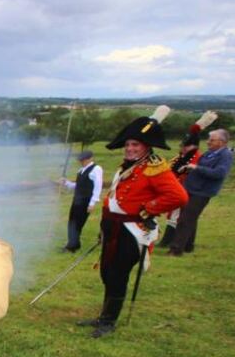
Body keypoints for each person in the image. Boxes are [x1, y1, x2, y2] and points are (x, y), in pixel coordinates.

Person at [78, 106, 188, 338]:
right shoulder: (128, 167)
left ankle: (108, 322)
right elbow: (114, 199)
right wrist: (103, 227)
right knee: (107, 273)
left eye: (135, 145)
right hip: (113, 227)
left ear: (146, 147)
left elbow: (179, 196)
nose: (130, 148)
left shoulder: (154, 168)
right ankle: (104, 315)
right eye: (128, 144)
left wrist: (148, 209)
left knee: (118, 275)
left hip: (131, 230)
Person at [168, 129, 233, 256]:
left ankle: (175, 250)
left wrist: (196, 167)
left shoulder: (225, 156)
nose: (208, 142)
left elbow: (219, 173)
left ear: (221, 142)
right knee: (191, 218)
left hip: (202, 192)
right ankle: (188, 246)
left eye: (212, 140)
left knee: (185, 220)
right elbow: (199, 169)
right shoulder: (209, 153)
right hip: (191, 189)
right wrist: (188, 168)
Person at [159, 111, 217, 247]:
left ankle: (173, 242)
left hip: (187, 190)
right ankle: (169, 241)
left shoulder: (197, 158)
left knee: (179, 218)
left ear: (193, 146)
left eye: (186, 146)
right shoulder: (181, 157)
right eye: (183, 146)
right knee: (173, 216)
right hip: (175, 188)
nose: (183, 149)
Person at [58, 150, 103, 252]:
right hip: (77, 200)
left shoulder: (96, 169)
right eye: (81, 160)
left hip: (86, 201)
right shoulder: (81, 170)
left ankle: (72, 246)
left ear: (90, 158)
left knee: (78, 223)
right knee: (72, 222)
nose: (82, 161)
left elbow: (98, 186)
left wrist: (92, 203)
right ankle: (73, 244)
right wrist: (66, 183)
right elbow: (78, 186)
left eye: (84, 159)